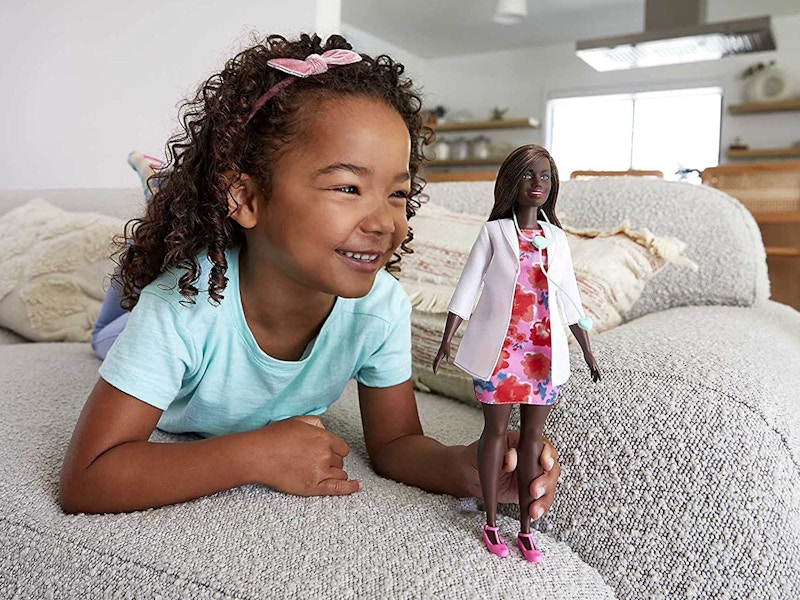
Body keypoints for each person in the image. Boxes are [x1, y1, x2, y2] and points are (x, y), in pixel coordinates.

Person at [59, 34, 561, 520]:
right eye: (348, 187)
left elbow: (396, 444)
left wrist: (465, 467)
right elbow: (88, 476)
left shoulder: (380, 308)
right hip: (159, 306)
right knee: (114, 324)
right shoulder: (179, 307)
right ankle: (160, 189)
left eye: (397, 194)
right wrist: (253, 456)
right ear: (248, 198)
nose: (386, 222)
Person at [433, 145, 600, 562]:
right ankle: (490, 522)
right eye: (528, 175)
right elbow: (468, 287)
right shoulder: (493, 233)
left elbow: (570, 298)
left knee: (532, 441)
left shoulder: (556, 240)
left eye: (544, 176)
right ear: (512, 181)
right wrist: (446, 338)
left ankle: (525, 529)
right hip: (501, 351)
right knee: (493, 434)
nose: (537, 184)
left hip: (542, 355)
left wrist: (588, 351)